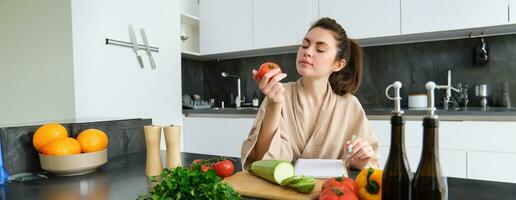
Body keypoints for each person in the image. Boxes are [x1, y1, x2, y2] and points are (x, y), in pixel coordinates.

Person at [240, 17, 380, 174]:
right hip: (283, 191)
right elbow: (262, 160)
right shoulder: (278, 94)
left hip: (333, 193)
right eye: (304, 45)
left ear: (338, 64)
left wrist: (358, 159)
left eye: (320, 49)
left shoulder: (350, 106)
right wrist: (274, 104)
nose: (307, 52)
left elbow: (370, 164)